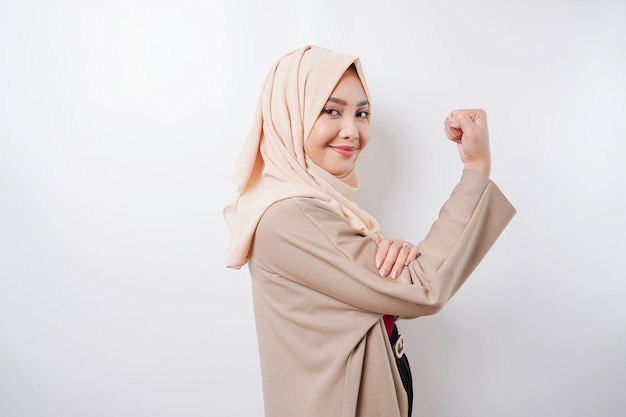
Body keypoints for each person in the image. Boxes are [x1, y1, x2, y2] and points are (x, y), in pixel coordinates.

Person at [224, 45, 515, 417]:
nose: (352, 131)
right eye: (331, 110)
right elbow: (422, 286)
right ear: (290, 115)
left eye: (362, 113)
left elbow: (379, 283)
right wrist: (476, 167)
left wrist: (390, 253)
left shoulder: (317, 208)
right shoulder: (291, 215)